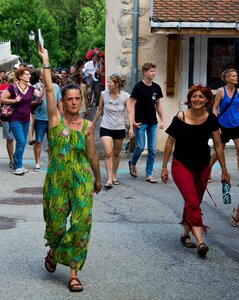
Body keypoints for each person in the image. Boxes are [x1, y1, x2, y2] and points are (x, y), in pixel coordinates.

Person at [38, 45, 102, 292]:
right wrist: (46, 62)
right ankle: (54, 251)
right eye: (69, 99)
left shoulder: (87, 126)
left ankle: (73, 273)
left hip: (81, 178)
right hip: (56, 180)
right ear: (63, 102)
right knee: (55, 225)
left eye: (78, 98)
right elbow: (48, 91)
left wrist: (98, 179)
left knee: (81, 223)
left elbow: (93, 155)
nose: (74, 102)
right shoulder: (55, 119)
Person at [161, 84, 230, 257]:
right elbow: (169, 142)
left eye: (201, 97)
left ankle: (185, 234)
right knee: (192, 202)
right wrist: (164, 167)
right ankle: (200, 242)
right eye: (194, 96)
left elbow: (218, 146)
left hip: (203, 166)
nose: (197, 99)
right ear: (189, 99)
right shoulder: (181, 116)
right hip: (181, 164)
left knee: (194, 202)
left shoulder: (211, 119)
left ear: (207, 100)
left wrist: (224, 170)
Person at [93, 74, 134, 189]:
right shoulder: (103, 94)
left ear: (116, 84)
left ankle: (114, 175)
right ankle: (109, 179)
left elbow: (130, 112)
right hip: (106, 127)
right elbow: (99, 110)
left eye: (109, 82)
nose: (107, 84)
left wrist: (131, 127)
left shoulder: (125, 96)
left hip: (119, 128)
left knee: (116, 153)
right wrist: (92, 123)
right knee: (108, 153)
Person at [1, 68, 45, 175]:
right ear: (20, 76)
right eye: (26, 74)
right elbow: (2, 99)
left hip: (26, 119)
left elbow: (40, 95)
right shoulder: (13, 88)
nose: (29, 76)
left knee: (22, 143)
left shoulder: (30, 88)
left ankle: (18, 164)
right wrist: (14, 100)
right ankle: (17, 167)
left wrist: (45, 86)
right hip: (14, 119)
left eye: (29, 74)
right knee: (20, 142)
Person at [209, 69, 239, 225]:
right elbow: (215, 108)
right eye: (233, 75)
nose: (236, 77)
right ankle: (206, 171)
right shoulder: (221, 91)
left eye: (236, 76)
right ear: (227, 78)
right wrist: (216, 124)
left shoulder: (238, 91)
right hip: (223, 125)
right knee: (218, 151)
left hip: (237, 124)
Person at [128, 62, 164, 183]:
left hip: (152, 122)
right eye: (151, 71)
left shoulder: (156, 87)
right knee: (140, 147)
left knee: (152, 149)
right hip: (140, 122)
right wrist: (132, 122)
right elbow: (132, 104)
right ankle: (132, 163)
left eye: (154, 71)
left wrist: (162, 120)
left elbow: (158, 104)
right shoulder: (138, 87)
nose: (153, 73)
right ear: (145, 72)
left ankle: (149, 174)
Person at [33, 68, 62, 171]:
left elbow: (59, 102)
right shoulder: (35, 87)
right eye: (45, 73)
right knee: (39, 141)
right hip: (40, 118)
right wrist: (36, 102)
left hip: (53, 119)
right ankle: (37, 163)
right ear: (41, 76)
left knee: (52, 142)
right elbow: (29, 103)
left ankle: (51, 162)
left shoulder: (55, 87)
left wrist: (62, 116)